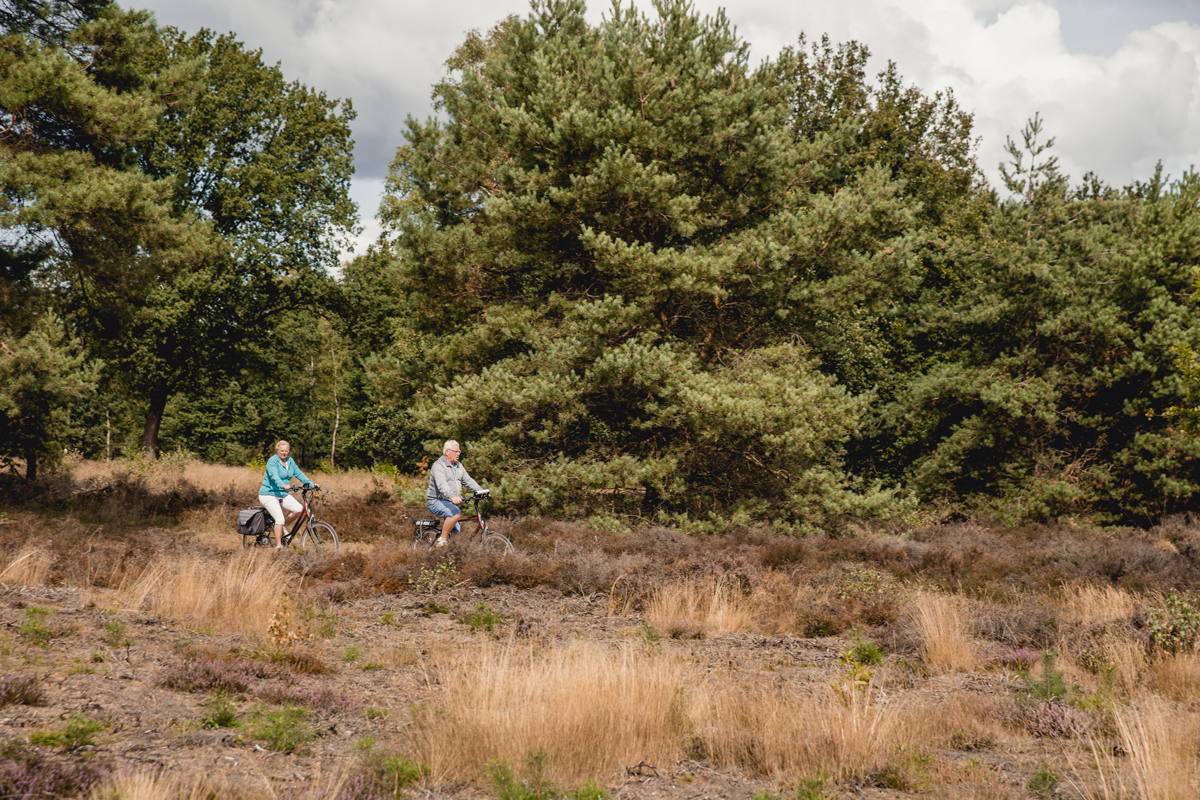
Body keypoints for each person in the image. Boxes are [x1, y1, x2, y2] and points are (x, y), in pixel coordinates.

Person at [426, 439, 488, 546]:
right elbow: (442, 485)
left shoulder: (458, 466)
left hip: (450, 502)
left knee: (455, 537)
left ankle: (446, 556)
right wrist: (452, 496)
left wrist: (481, 491)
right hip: (436, 501)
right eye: (455, 451)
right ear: (447, 452)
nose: (458, 454)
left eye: (459, 452)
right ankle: (442, 539)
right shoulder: (439, 466)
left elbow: (468, 481)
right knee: (455, 514)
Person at [258, 440, 316, 548]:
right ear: (277, 450)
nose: (284, 453)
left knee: (299, 509)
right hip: (268, 494)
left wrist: (311, 484)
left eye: (286, 451)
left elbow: (299, 474)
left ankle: (284, 526)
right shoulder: (272, 461)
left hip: (282, 493)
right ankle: (279, 546)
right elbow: (273, 476)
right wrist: (282, 484)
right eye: (281, 451)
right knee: (279, 518)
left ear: (288, 451)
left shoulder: (290, 461)